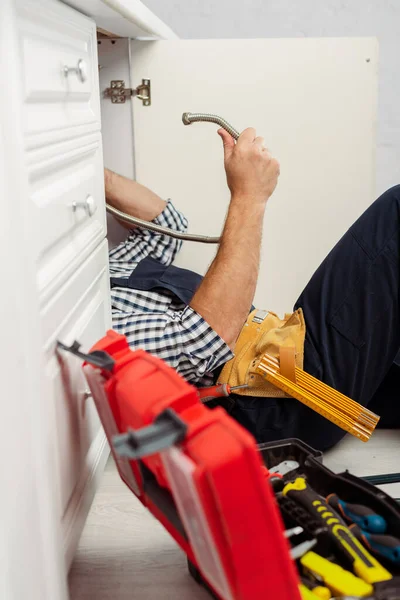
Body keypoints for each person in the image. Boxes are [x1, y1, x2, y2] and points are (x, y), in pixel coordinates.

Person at [106, 127, 400, 452]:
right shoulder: (92, 321)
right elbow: (201, 338)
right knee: (396, 210)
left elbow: (166, 224)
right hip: (274, 404)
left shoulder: (108, 272)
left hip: (279, 353)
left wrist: (88, 173)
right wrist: (250, 195)